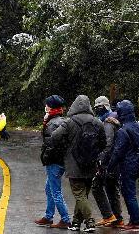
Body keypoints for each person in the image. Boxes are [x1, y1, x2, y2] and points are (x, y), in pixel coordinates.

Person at [48, 94, 104, 232]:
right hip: (91, 164)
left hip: (74, 164)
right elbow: (103, 143)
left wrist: (67, 145)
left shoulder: (69, 122)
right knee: (83, 195)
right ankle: (76, 223)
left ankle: (90, 222)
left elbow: (54, 137)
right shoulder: (97, 122)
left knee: (79, 194)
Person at [35, 95, 72, 229]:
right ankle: (48, 216)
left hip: (54, 162)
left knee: (55, 191)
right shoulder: (63, 120)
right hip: (61, 160)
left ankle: (65, 219)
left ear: (51, 108)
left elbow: (51, 144)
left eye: (48, 105)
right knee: (49, 188)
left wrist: (46, 157)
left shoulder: (52, 123)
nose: (46, 107)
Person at [107, 100, 139, 232]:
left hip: (127, 165)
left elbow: (118, 152)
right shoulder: (138, 126)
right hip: (137, 163)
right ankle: (133, 221)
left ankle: (135, 222)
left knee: (129, 194)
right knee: (130, 193)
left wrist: (109, 167)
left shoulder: (123, 130)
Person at [91, 96, 124, 228]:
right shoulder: (109, 119)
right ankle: (116, 218)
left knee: (97, 186)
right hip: (113, 161)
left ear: (104, 106)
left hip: (109, 162)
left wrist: (100, 160)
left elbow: (108, 144)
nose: (97, 110)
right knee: (111, 188)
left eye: (99, 107)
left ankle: (109, 216)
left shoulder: (109, 122)